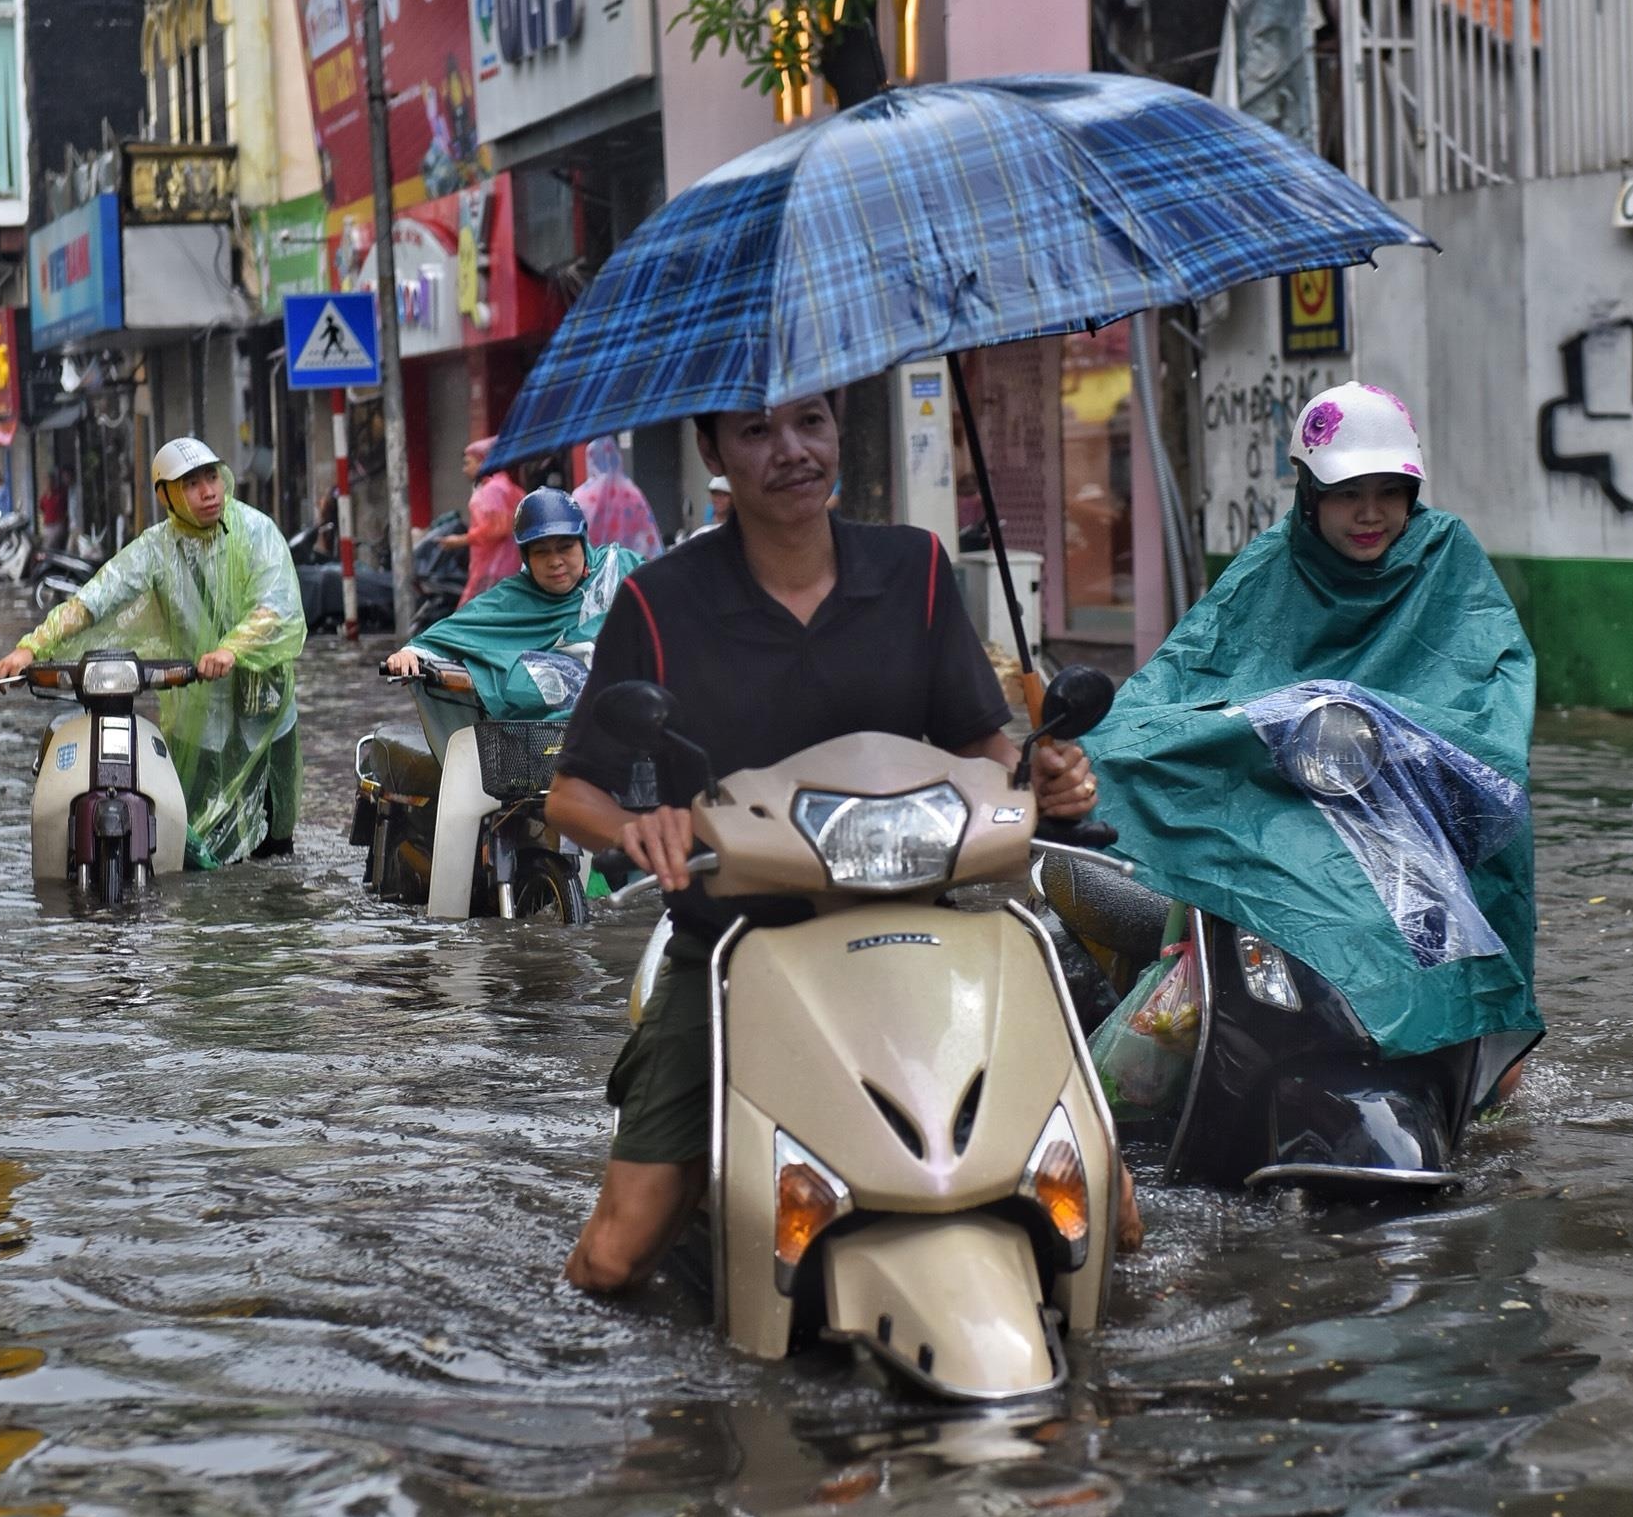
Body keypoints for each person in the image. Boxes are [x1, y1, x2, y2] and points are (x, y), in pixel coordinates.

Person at [541, 394, 1127, 1296]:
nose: (790, 451)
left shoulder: (916, 570)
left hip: (924, 930)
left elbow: (982, 744)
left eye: (810, 422)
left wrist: (1043, 777)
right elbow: (569, 794)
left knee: (1111, 1211)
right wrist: (633, 826)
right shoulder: (660, 604)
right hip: (737, 944)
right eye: (756, 432)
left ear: (839, 432)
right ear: (712, 452)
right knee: (615, 1259)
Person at [1085, 382, 1541, 1104]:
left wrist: (1379, 726)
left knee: (1490, 1034)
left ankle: (1477, 1044)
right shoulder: (1270, 567)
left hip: (1413, 813)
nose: (1370, 514)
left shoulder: (1447, 557)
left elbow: (1494, 704)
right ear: (1307, 492)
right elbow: (1175, 683)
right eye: (1347, 492)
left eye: (1390, 492)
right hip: (1281, 812)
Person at [0, 436, 307, 867]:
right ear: (166, 494)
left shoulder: (257, 531)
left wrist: (232, 650)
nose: (208, 491)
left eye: (212, 477)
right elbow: (95, 599)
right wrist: (30, 648)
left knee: (275, 844)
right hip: (199, 712)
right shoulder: (156, 548)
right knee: (186, 840)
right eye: (191, 483)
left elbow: (277, 606)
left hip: (261, 708)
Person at [383, 486, 644, 720]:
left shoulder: (619, 568)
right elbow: (449, 635)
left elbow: (668, 599)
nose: (555, 562)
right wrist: (408, 654)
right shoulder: (509, 600)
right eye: (541, 552)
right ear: (526, 557)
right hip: (556, 744)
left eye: (565, 547)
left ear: (582, 541)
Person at [440, 438, 523, 604]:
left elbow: (496, 528)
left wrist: (460, 540)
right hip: (511, 564)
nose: (464, 469)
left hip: (494, 567)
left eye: (468, 463)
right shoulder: (508, 487)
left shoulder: (492, 490)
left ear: (482, 462)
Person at [571, 436, 664, 559]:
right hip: (629, 570)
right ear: (616, 456)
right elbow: (649, 539)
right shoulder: (632, 493)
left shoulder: (580, 497)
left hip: (593, 571)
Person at [38, 471, 69, 554]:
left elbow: (65, 509)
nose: (48, 484)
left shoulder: (59, 495)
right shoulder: (44, 497)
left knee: (50, 545)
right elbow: (42, 509)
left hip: (57, 525)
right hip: (47, 526)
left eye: (50, 481)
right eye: (46, 482)